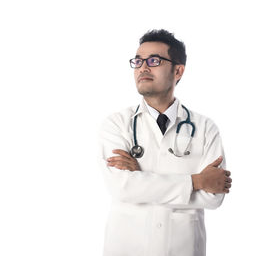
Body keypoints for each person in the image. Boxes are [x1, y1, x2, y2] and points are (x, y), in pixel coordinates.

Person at [97, 29, 232, 256]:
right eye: (138, 61)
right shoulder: (117, 124)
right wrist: (197, 181)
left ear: (178, 70)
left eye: (154, 60)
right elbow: (122, 187)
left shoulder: (205, 128)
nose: (143, 67)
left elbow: (214, 196)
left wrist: (142, 181)